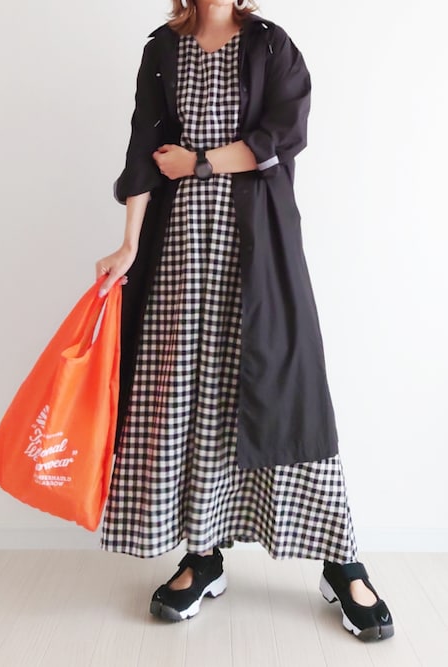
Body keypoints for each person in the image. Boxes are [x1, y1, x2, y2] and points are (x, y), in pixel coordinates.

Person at [95, 0, 394, 641]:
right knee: (189, 392)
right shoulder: (162, 49)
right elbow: (144, 151)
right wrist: (128, 244)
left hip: (257, 246)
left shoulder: (270, 44)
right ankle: (203, 554)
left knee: (287, 387)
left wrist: (199, 162)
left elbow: (283, 137)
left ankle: (340, 559)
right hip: (180, 249)